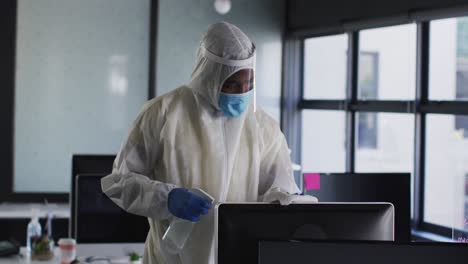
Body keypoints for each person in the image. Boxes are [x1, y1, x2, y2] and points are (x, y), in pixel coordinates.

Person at [101, 21, 301, 264]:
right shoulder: (163, 114)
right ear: (209, 76)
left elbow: (282, 189)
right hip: (171, 258)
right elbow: (119, 182)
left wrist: (278, 202)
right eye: (232, 85)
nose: (241, 94)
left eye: (248, 85)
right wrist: (166, 198)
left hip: (237, 255)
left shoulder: (264, 127)